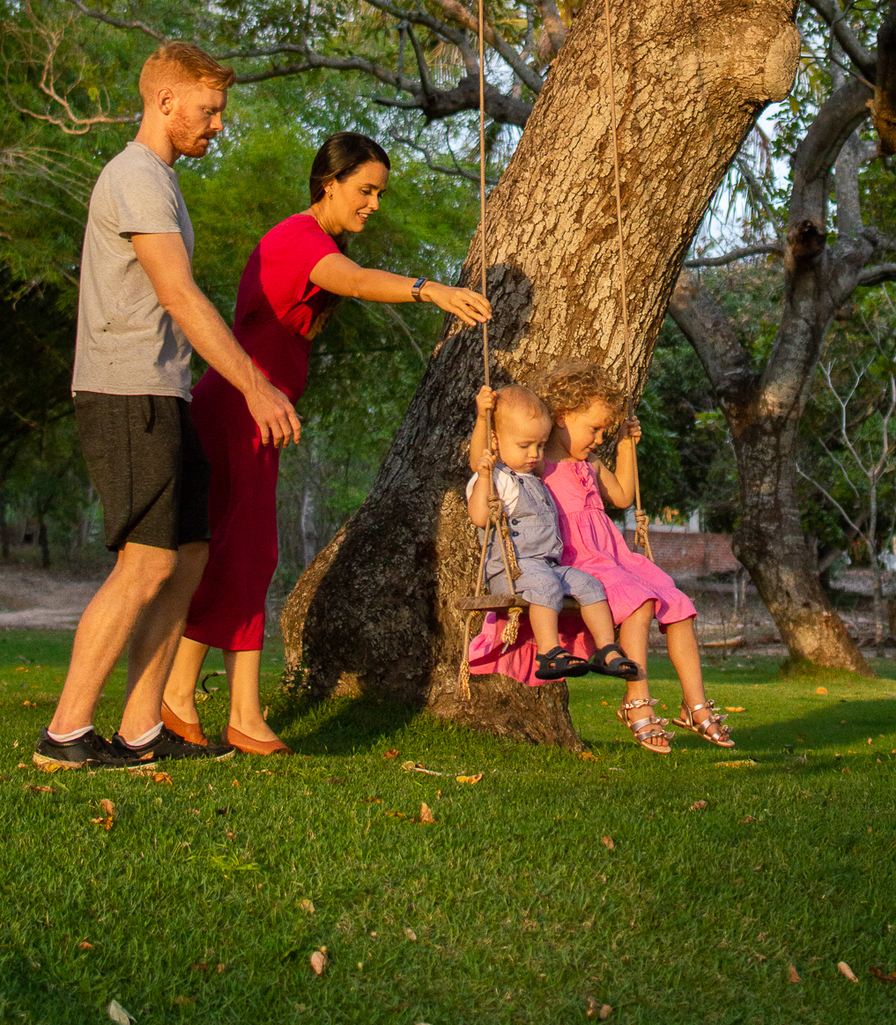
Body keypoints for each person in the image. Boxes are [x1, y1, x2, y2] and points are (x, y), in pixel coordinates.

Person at [163, 132, 492, 754]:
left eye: (379, 194)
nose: (373, 204)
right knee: (251, 551)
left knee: (241, 552)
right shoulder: (297, 237)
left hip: (251, 410)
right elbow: (359, 281)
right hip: (240, 407)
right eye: (364, 190)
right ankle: (229, 711)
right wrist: (433, 291)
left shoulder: (310, 240)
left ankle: (188, 701)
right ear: (328, 184)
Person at [35, 43, 301, 773]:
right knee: (146, 561)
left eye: (220, 111)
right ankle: (63, 734)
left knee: (186, 555)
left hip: (162, 391)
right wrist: (254, 383)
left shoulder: (161, 182)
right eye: (208, 110)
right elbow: (178, 295)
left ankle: (142, 726)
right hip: (125, 393)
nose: (217, 125)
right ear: (165, 102)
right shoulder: (136, 179)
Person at [470, 359, 734, 753]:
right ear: (561, 417)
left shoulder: (590, 464)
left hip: (614, 555)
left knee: (679, 606)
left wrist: (626, 445)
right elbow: (483, 465)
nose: (598, 439)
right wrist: (482, 420)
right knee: (639, 603)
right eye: (593, 429)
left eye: (603, 432)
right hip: (579, 558)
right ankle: (637, 701)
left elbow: (624, 497)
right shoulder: (537, 465)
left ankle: (695, 704)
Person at [467, 384, 639, 682]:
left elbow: (621, 494)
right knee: (546, 587)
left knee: (590, 585)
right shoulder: (495, 479)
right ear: (495, 443)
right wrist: (483, 421)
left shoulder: (532, 475)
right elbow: (480, 516)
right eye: (525, 446)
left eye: (540, 445)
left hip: (548, 564)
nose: (534, 454)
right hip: (513, 569)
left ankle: (607, 650)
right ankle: (549, 653)